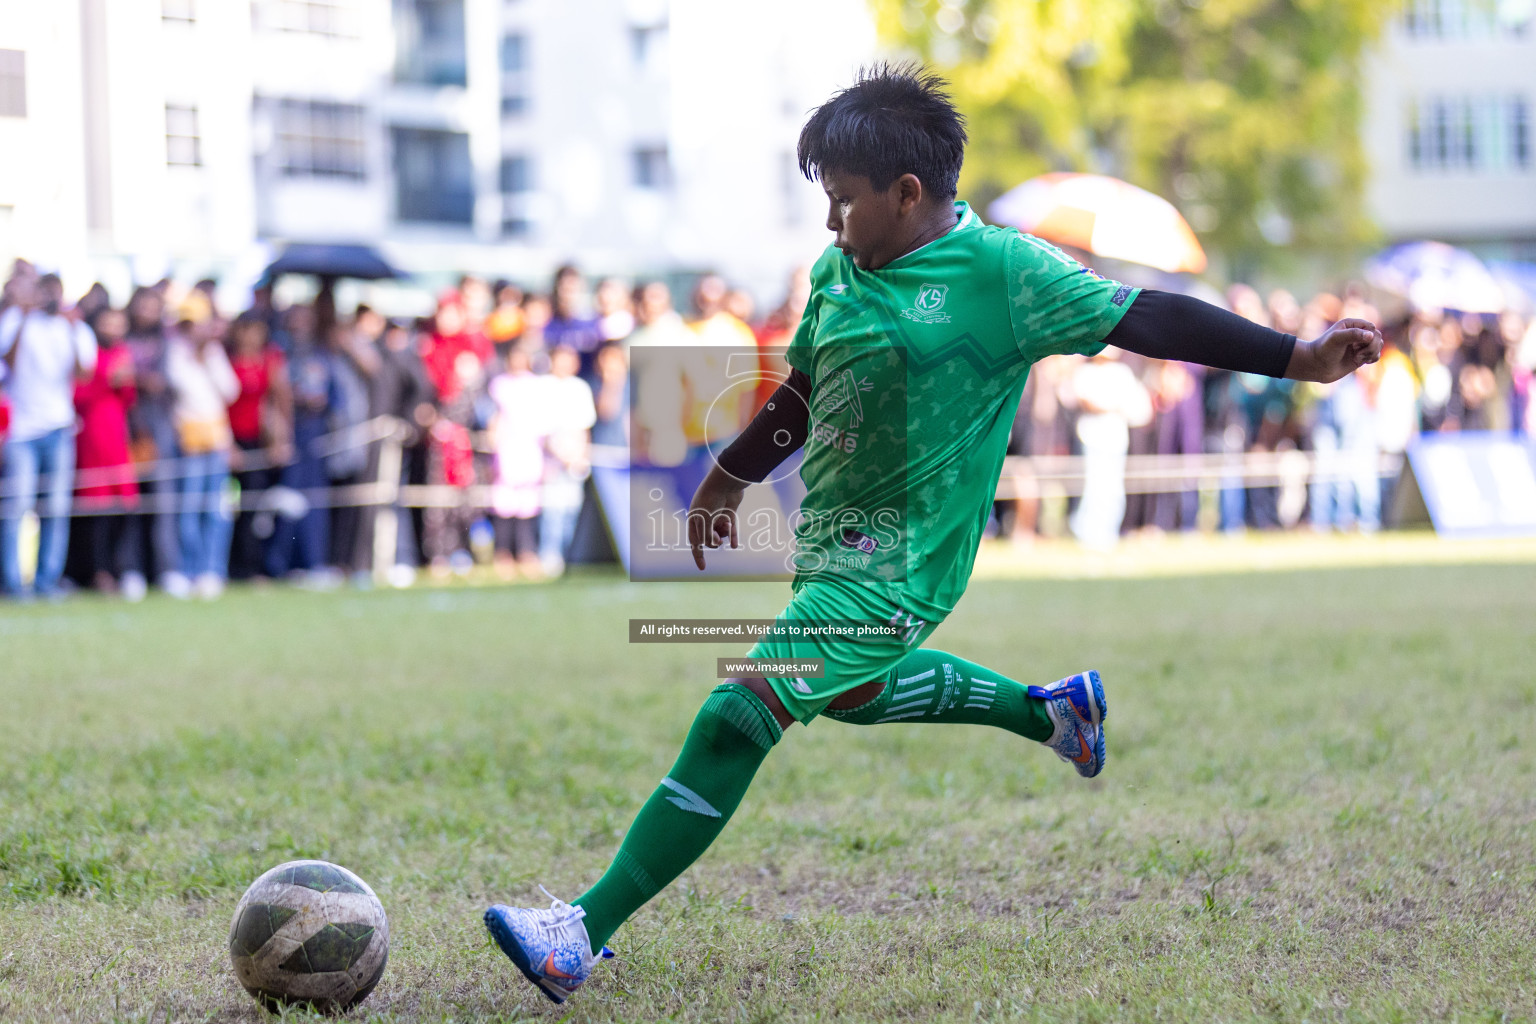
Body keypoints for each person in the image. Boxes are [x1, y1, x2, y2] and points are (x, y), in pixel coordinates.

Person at [481, 66, 1385, 1004]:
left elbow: (1145, 315)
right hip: (832, 547)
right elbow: (804, 389)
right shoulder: (840, 270)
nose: (831, 226)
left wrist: (1296, 359)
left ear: (908, 195)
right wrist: (729, 474)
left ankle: (579, 930)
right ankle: (1053, 712)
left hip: (904, 568)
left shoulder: (1005, 273)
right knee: (857, 695)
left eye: (843, 203)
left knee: (736, 713)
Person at [0, 273, 98, 599]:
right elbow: (8, 363)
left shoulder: (73, 327)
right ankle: (14, 582)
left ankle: (47, 580)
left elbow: (83, 373)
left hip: (59, 427)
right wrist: (25, 319)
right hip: (23, 430)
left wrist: (71, 329)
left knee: (56, 508)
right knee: (18, 507)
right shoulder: (16, 319)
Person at [165, 293, 239, 599]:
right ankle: (188, 570)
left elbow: (230, 391)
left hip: (217, 441)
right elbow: (181, 385)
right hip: (189, 441)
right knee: (189, 510)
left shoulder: (214, 353)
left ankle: (212, 570)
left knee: (216, 509)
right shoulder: (176, 352)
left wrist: (208, 358)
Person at [72, 305, 143, 597]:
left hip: (117, 438)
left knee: (123, 507)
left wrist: (125, 381)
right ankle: (96, 572)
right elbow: (78, 394)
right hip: (92, 437)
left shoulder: (123, 352)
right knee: (96, 508)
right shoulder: (87, 353)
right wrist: (106, 380)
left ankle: (119, 568)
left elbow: (128, 398)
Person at [225, 314, 291, 581]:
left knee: (257, 507)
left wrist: (282, 439)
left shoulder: (269, 360)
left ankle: (256, 566)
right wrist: (227, 444)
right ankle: (233, 565)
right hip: (232, 443)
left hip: (259, 443)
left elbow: (280, 398)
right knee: (232, 507)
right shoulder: (227, 360)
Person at [537, 344, 595, 577]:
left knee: (571, 509)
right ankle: (549, 556)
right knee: (552, 509)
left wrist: (581, 455)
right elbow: (543, 430)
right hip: (552, 459)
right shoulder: (544, 387)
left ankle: (569, 554)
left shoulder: (580, 388)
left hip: (575, 457)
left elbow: (585, 427)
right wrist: (560, 455)